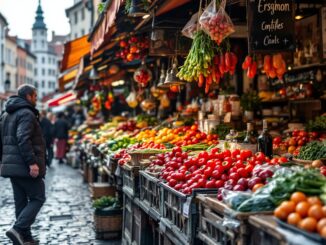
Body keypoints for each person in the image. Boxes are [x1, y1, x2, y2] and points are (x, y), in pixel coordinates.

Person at [0, 84, 46, 245]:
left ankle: (24, 238)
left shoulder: (6, 114)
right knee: (38, 197)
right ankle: (18, 229)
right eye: (35, 96)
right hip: (24, 165)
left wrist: (3, 161)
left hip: (12, 166)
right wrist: (32, 163)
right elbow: (23, 138)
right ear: (28, 96)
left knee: (21, 201)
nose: (36, 99)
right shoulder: (26, 113)